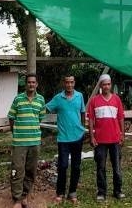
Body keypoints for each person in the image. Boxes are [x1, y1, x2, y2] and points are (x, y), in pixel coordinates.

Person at [7, 74, 48, 208]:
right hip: (19, 142)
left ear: (37, 84)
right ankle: (17, 200)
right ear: (26, 84)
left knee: (31, 171)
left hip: (35, 142)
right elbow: (11, 117)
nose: (31, 84)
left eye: (33, 82)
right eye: (29, 82)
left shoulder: (41, 100)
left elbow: (40, 118)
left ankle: (25, 196)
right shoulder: (18, 99)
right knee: (17, 170)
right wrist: (16, 132)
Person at [45, 75, 87, 204]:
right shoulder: (58, 98)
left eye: (71, 82)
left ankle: (72, 192)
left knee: (76, 166)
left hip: (77, 136)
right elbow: (46, 108)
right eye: (67, 82)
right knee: (62, 166)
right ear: (64, 83)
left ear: (74, 83)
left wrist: (83, 129)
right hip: (63, 138)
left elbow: (82, 113)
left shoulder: (79, 96)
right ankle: (60, 192)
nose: (69, 85)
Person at [86, 74, 125, 201]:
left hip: (115, 139)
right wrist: (92, 136)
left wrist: (122, 134)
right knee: (101, 167)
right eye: (104, 84)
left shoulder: (117, 100)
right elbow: (91, 119)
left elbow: (121, 118)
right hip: (100, 140)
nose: (106, 86)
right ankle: (101, 192)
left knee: (117, 167)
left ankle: (117, 191)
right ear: (100, 85)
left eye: (108, 84)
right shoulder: (94, 101)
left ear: (111, 85)